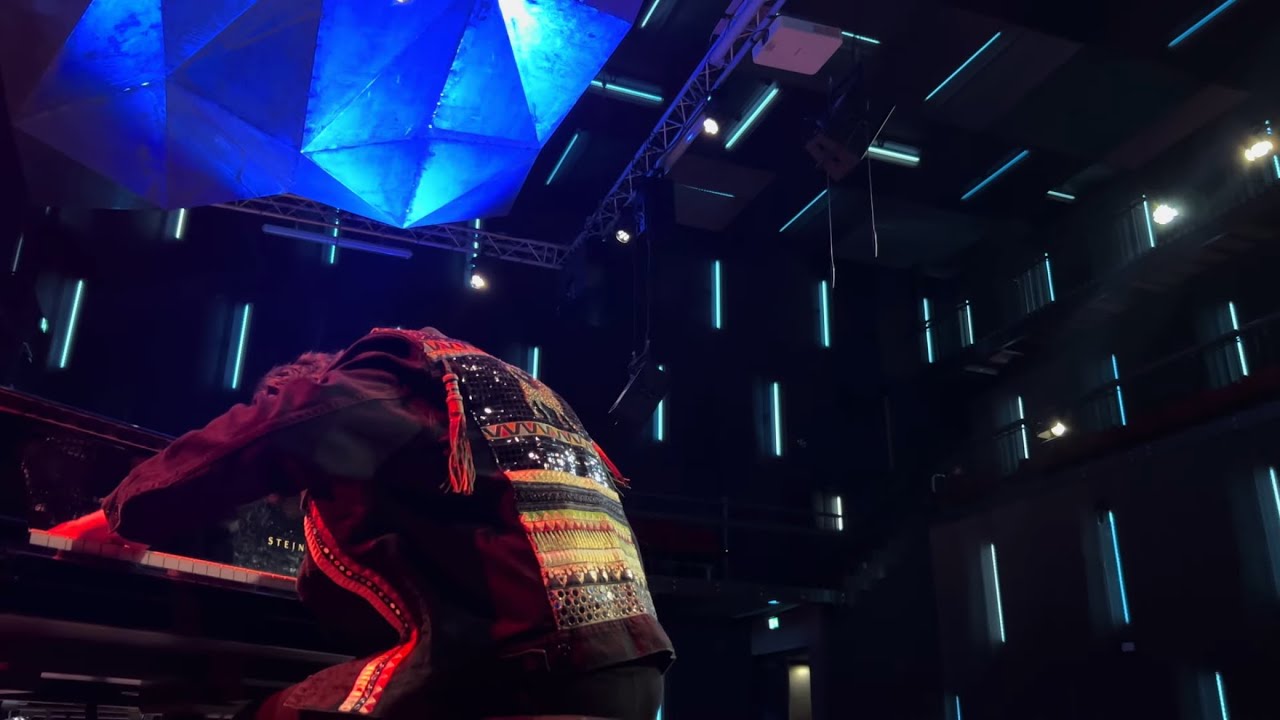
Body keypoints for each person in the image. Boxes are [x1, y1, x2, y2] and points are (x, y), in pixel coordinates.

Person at [49, 327, 673, 720]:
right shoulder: (505, 395)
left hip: (521, 680)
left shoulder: (389, 373)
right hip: (631, 675)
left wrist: (120, 516)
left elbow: (276, 427)